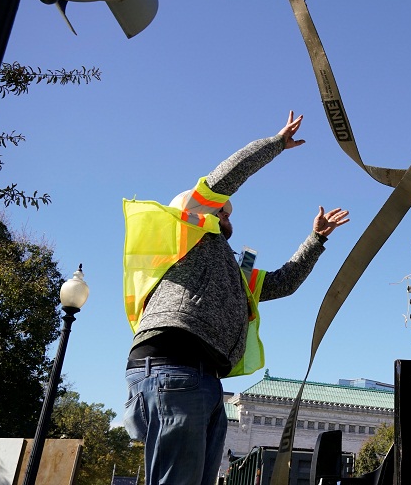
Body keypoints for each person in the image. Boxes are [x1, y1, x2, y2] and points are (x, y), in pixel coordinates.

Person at [121, 111, 349, 485]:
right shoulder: (183, 232)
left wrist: (316, 240)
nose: (228, 215)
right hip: (172, 368)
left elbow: (283, 283)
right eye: (223, 210)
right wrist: (275, 144)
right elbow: (227, 177)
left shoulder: (229, 270)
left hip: (204, 378)